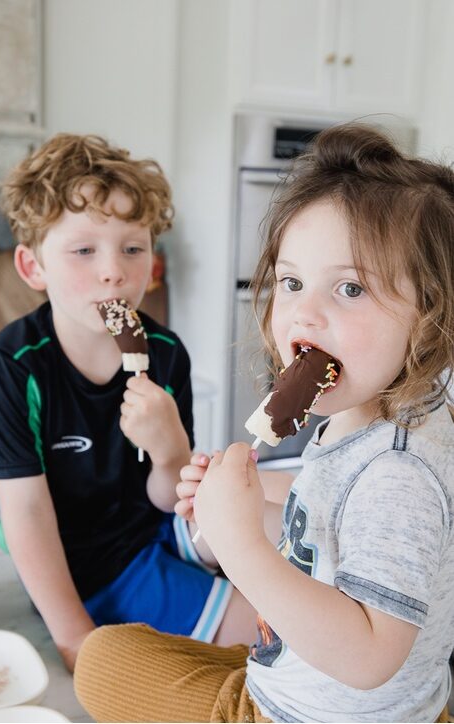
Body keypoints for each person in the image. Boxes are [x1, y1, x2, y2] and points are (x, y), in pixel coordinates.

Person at [74, 123, 454, 722]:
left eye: (350, 287)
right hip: (323, 684)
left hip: (311, 715)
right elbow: (326, 540)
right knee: (123, 647)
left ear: (431, 315)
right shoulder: (368, 420)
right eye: (292, 281)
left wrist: (240, 545)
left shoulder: (398, 473)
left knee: (105, 662)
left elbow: (370, 655)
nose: (305, 310)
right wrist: (252, 512)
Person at [0, 133, 260, 673]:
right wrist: (74, 636)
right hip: (90, 561)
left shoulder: (168, 353)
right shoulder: (13, 367)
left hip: (156, 520)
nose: (114, 271)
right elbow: (26, 515)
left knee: (270, 516)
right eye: (84, 250)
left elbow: (166, 497)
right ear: (33, 267)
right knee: (266, 638)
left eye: (133, 247)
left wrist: (170, 448)